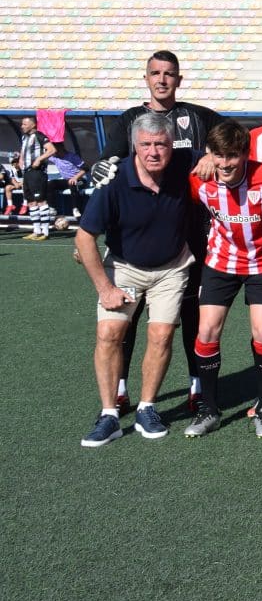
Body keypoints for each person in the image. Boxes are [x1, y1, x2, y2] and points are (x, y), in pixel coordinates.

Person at [95, 50, 222, 414]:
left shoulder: (197, 116)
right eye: (156, 73)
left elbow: (233, 138)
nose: (162, 79)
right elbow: (108, 165)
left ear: (179, 80)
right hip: (136, 236)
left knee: (191, 312)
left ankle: (197, 384)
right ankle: (119, 388)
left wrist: (212, 151)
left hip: (191, 235)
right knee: (127, 315)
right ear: (146, 78)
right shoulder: (130, 120)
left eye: (169, 73)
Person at [75, 113, 195, 446]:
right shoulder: (114, 181)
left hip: (171, 268)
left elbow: (219, 155)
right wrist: (105, 287)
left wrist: (213, 159)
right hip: (125, 267)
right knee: (109, 332)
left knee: (161, 335)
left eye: (161, 144)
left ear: (173, 146)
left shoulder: (184, 162)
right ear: (134, 146)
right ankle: (109, 414)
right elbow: (84, 238)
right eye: (146, 145)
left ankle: (147, 407)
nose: (154, 151)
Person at [184, 121, 262, 438]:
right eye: (218, 155)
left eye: (232, 155)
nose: (225, 163)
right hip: (221, 262)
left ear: (246, 153)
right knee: (206, 331)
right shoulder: (199, 180)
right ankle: (209, 409)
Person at [18, 115, 56, 240]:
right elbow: (23, 151)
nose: (22, 126)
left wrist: (39, 159)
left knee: (40, 201)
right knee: (31, 201)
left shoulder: (40, 136)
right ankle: (36, 230)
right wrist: (21, 160)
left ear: (32, 125)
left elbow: (51, 150)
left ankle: (45, 232)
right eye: (22, 124)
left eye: (24, 124)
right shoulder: (25, 137)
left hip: (37, 173)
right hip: (27, 173)